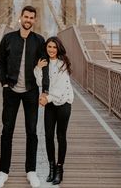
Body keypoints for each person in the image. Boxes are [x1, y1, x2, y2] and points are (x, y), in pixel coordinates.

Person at [0, 5, 49, 188]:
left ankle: (31, 171)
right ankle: (3, 172)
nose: (28, 20)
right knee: (6, 131)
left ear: (35, 20)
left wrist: (45, 91)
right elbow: (0, 60)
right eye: (26, 17)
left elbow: (45, 66)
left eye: (32, 18)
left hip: (31, 92)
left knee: (32, 132)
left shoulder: (39, 41)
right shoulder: (8, 39)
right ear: (21, 18)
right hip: (11, 92)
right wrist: (3, 82)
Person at [34, 36, 74, 185]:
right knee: (48, 136)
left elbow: (61, 89)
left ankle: (59, 169)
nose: (51, 50)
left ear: (58, 49)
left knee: (60, 136)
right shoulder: (43, 63)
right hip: (50, 103)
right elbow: (39, 82)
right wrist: (38, 68)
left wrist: (46, 99)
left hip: (63, 103)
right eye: (49, 47)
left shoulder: (63, 64)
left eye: (54, 47)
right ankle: (51, 168)